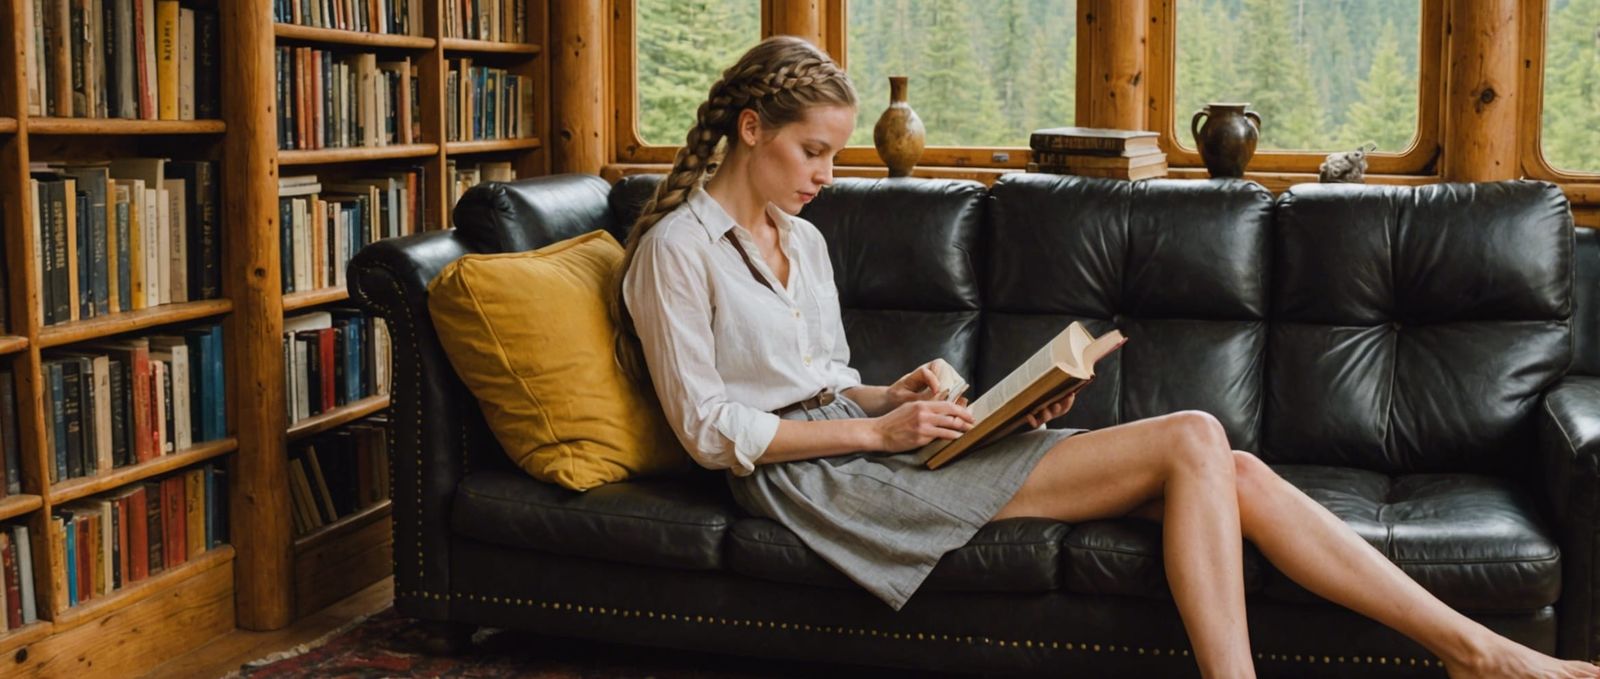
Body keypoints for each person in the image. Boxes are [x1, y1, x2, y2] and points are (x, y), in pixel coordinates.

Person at [610, 35, 1599, 679]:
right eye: (811, 152)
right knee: (1195, 439)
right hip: (809, 481)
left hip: (859, 441)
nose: (828, 175)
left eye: (833, 153)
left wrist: (893, 389)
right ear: (750, 128)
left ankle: (1471, 648)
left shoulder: (806, 239)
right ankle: (1452, 654)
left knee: (1231, 463)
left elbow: (824, 370)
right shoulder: (674, 251)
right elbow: (709, 433)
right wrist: (878, 426)